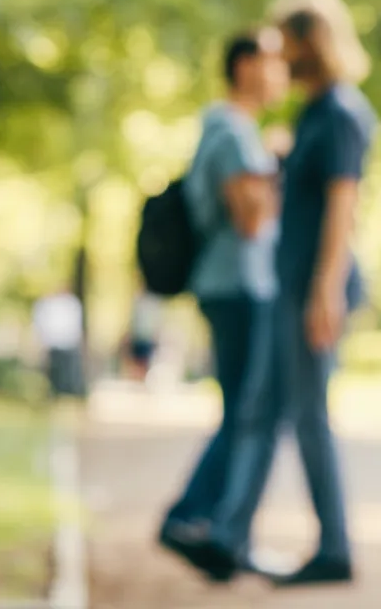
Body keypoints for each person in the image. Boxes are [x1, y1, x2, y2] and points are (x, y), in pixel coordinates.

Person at [193, 0, 375, 586]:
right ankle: (229, 535)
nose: (277, 53)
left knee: (308, 416)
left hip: (311, 289)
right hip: (286, 285)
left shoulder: (344, 112)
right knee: (260, 408)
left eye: (284, 41)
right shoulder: (314, 113)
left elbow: (342, 205)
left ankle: (334, 549)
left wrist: (324, 290)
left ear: (309, 42)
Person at [159, 30, 287, 565]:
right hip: (238, 286)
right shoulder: (235, 133)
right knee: (248, 411)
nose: (281, 72)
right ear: (245, 67)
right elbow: (252, 220)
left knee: (243, 410)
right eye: (272, 62)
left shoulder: (235, 130)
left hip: (234, 285)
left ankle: (205, 522)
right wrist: (279, 165)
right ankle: (195, 520)